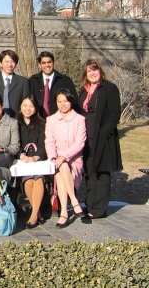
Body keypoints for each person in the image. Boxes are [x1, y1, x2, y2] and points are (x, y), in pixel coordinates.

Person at [79, 60, 122, 219]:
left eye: (94, 70)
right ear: (85, 74)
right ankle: (89, 204)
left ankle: (98, 209)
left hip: (103, 138)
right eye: (89, 71)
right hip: (86, 138)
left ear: (100, 71)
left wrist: (103, 135)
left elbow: (114, 114)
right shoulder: (83, 90)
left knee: (102, 173)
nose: (92, 73)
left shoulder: (109, 88)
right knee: (89, 171)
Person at [45, 88, 86, 228]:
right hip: (56, 160)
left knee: (62, 170)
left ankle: (64, 212)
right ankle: (74, 202)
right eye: (59, 101)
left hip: (74, 160)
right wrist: (53, 157)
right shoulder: (51, 120)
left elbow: (79, 144)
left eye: (66, 101)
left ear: (71, 102)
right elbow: (49, 142)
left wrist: (64, 156)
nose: (63, 104)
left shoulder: (80, 120)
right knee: (61, 167)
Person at [16, 95, 48, 228]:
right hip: (22, 161)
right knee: (28, 180)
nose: (27, 109)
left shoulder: (41, 123)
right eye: (25, 105)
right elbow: (15, 144)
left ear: (35, 108)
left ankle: (33, 215)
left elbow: (43, 144)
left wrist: (35, 157)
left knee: (38, 179)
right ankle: (38, 213)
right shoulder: (15, 123)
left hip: (38, 160)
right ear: (20, 106)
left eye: (31, 106)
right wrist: (22, 155)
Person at [29, 51, 79, 118]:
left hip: (59, 121)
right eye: (44, 63)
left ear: (53, 63)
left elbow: (74, 102)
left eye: (49, 62)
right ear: (39, 65)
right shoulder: (33, 80)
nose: (47, 65)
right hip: (38, 122)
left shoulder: (65, 81)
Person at [0, 50, 30, 117]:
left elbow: (26, 102)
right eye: (7, 62)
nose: (10, 65)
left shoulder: (23, 82)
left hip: (17, 119)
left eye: (13, 62)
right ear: (0, 63)